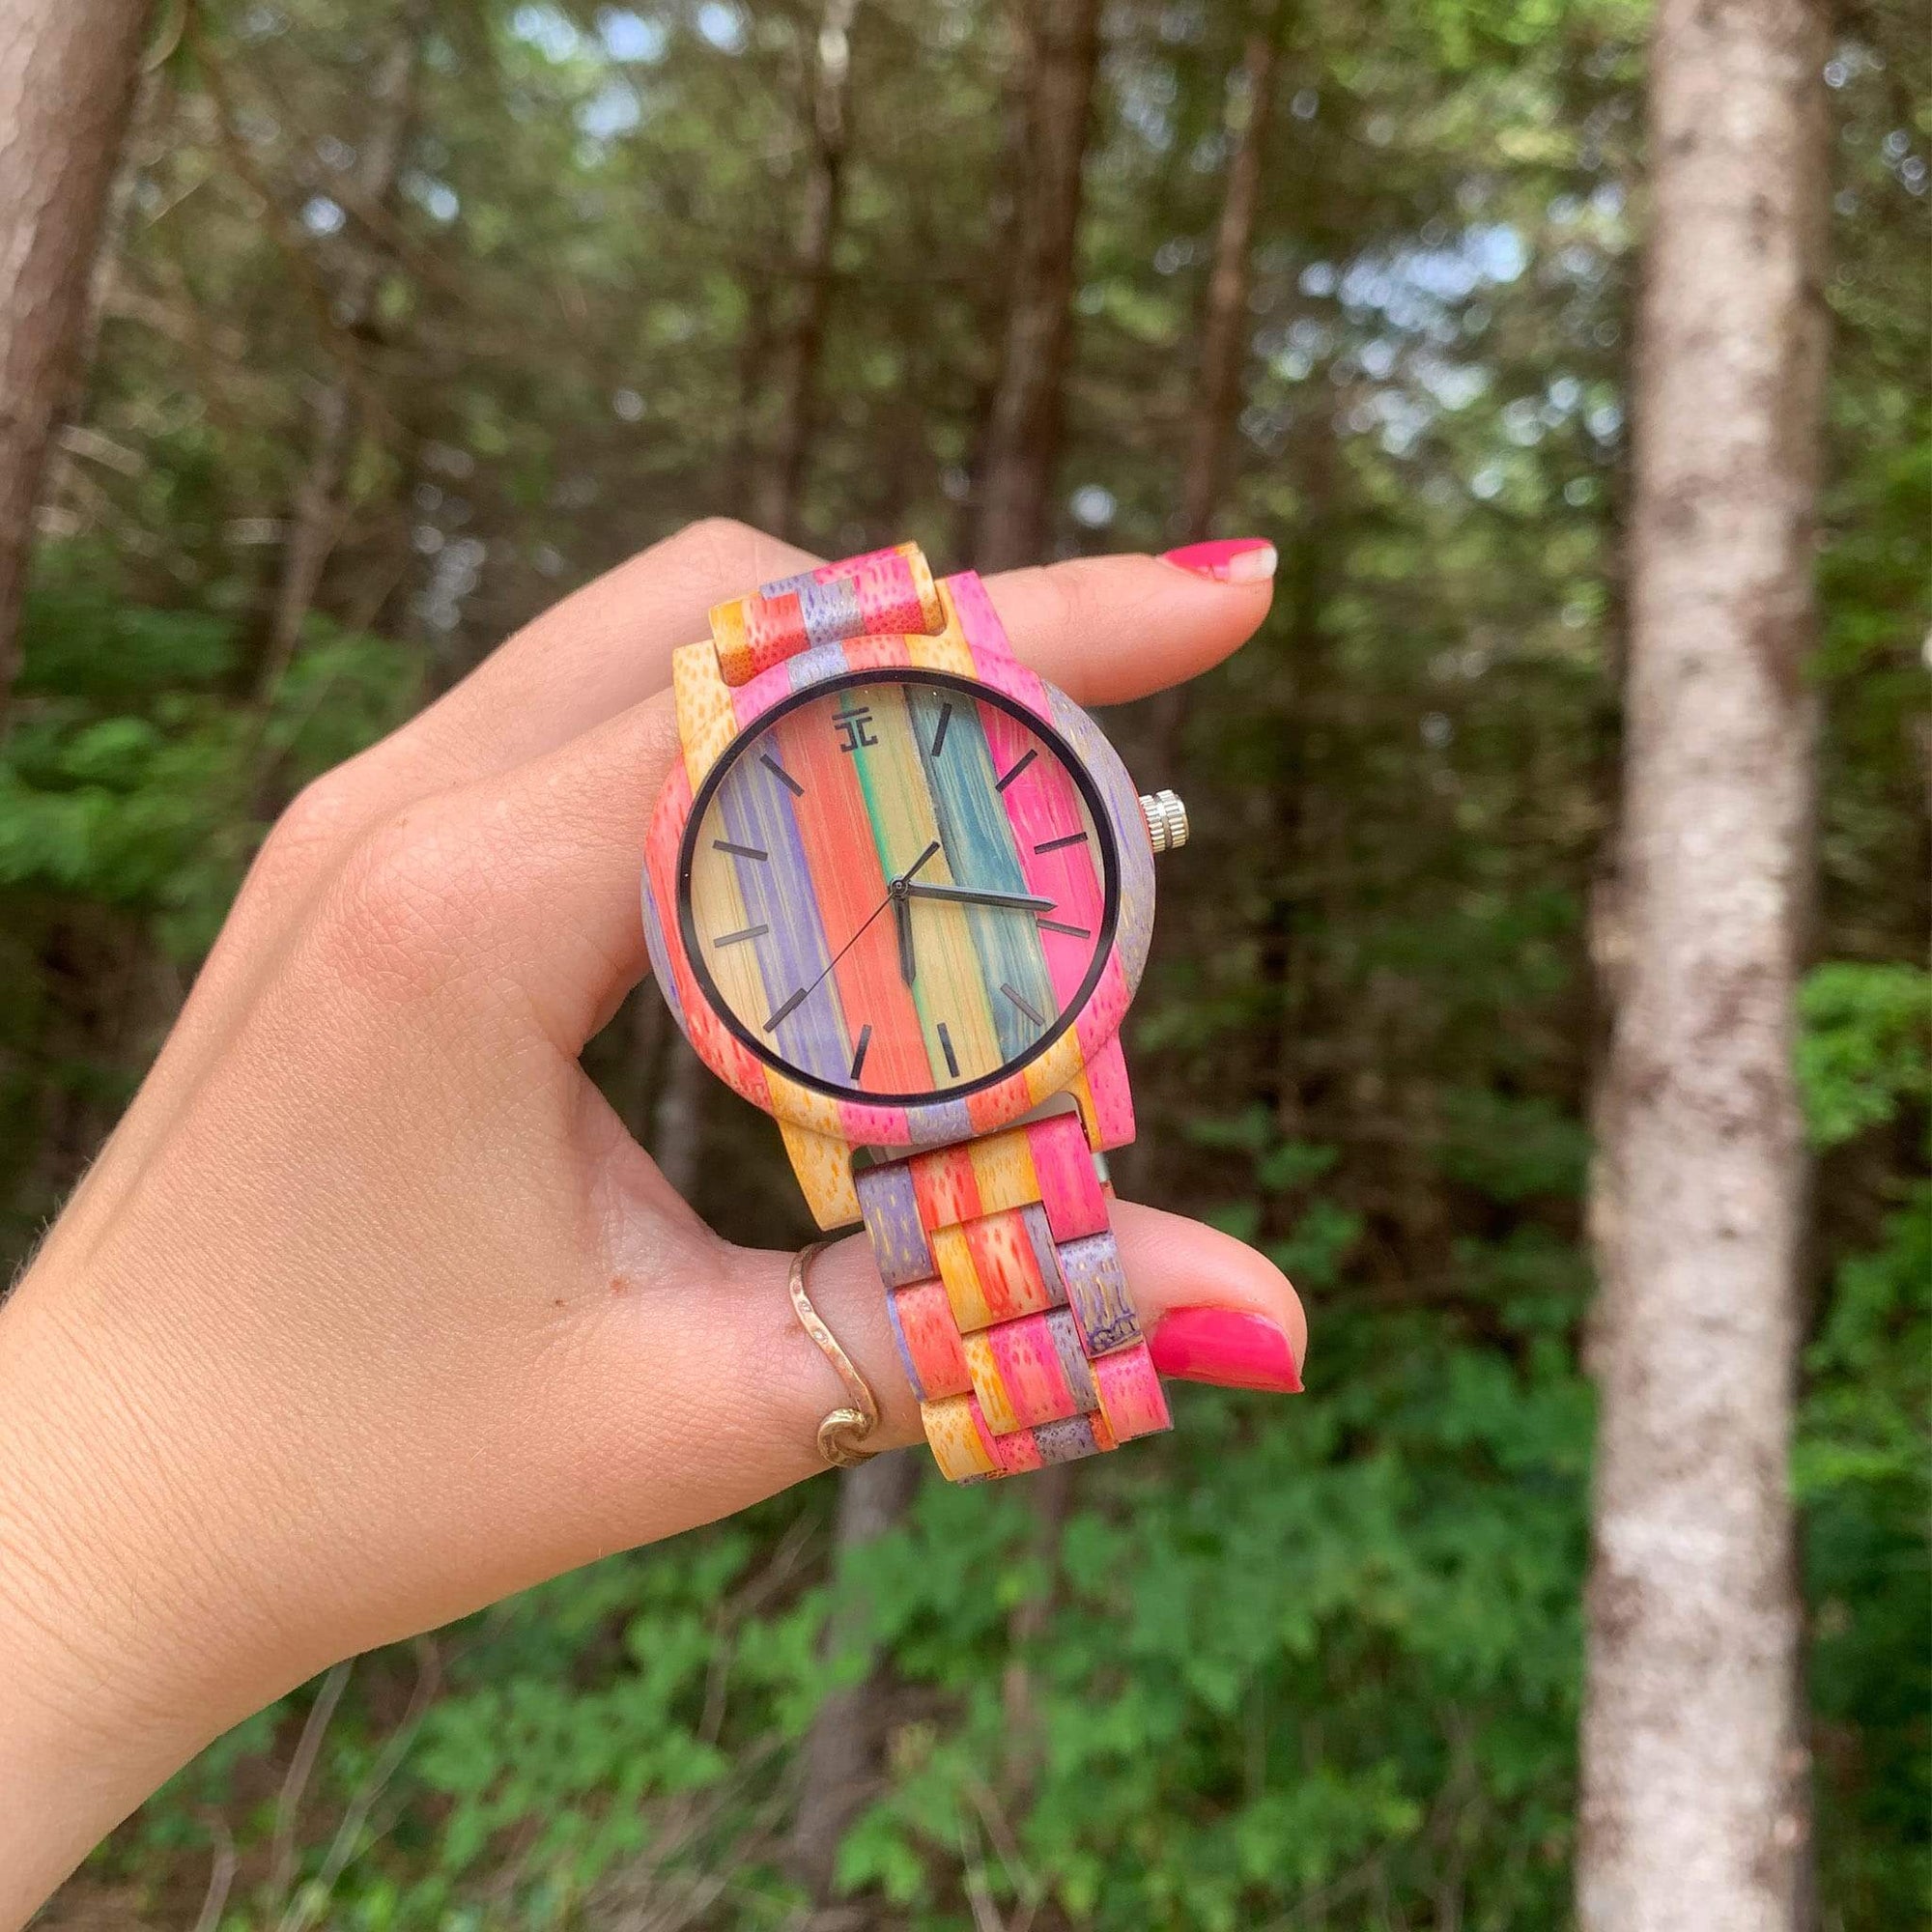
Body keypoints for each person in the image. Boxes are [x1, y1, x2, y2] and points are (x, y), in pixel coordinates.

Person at [0, 521, 1306, 1919]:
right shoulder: (833, 1073)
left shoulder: (1033, 987)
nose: (910, 890)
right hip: (873, 1077)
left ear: (1130, 830)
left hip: (948, 1056)